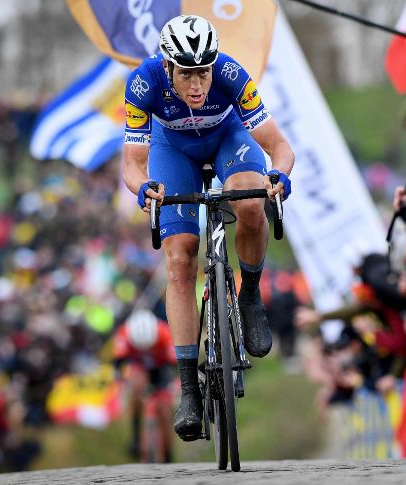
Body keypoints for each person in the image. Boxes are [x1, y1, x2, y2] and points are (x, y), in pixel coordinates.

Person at [122, 15, 295, 442]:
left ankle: (249, 296)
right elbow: (133, 163)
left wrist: (280, 174)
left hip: (228, 139)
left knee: (251, 201)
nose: (197, 84)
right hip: (173, 151)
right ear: (167, 67)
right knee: (180, 259)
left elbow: (278, 145)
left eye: (203, 72)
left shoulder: (232, 74)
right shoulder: (143, 83)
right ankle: (188, 390)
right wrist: (143, 188)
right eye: (187, 74)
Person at [112, 309, 176, 461]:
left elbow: (175, 365)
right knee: (136, 387)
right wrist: (122, 380)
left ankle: (168, 453)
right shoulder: (124, 334)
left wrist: (172, 384)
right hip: (138, 367)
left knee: (164, 409)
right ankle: (135, 435)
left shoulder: (165, 334)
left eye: (150, 346)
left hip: (161, 368)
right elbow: (118, 364)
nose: (146, 350)